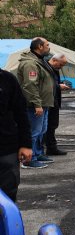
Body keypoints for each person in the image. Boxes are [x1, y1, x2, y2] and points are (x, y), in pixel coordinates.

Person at [15, 37, 55, 169]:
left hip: (43, 103)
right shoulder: (30, 64)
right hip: (34, 105)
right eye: (47, 45)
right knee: (33, 131)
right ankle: (28, 160)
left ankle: (37, 154)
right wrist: (37, 104)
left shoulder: (39, 61)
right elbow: (30, 86)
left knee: (41, 130)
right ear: (39, 47)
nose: (49, 48)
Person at [0, 69, 33, 201]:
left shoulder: (7, 79)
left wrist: (26, 144)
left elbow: (21, 114)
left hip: (6, 151)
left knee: (7, 197)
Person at [45, 53, 69, 156]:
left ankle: (51, 147)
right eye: (61, 64)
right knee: (45, 126)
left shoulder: (54, 69)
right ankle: (44, 149)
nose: (61, 67)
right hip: (47, 101)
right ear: (54, 60)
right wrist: (58, 86)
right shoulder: (45, 68)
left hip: (54, 100)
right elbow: (45, 83)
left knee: (52, 125)